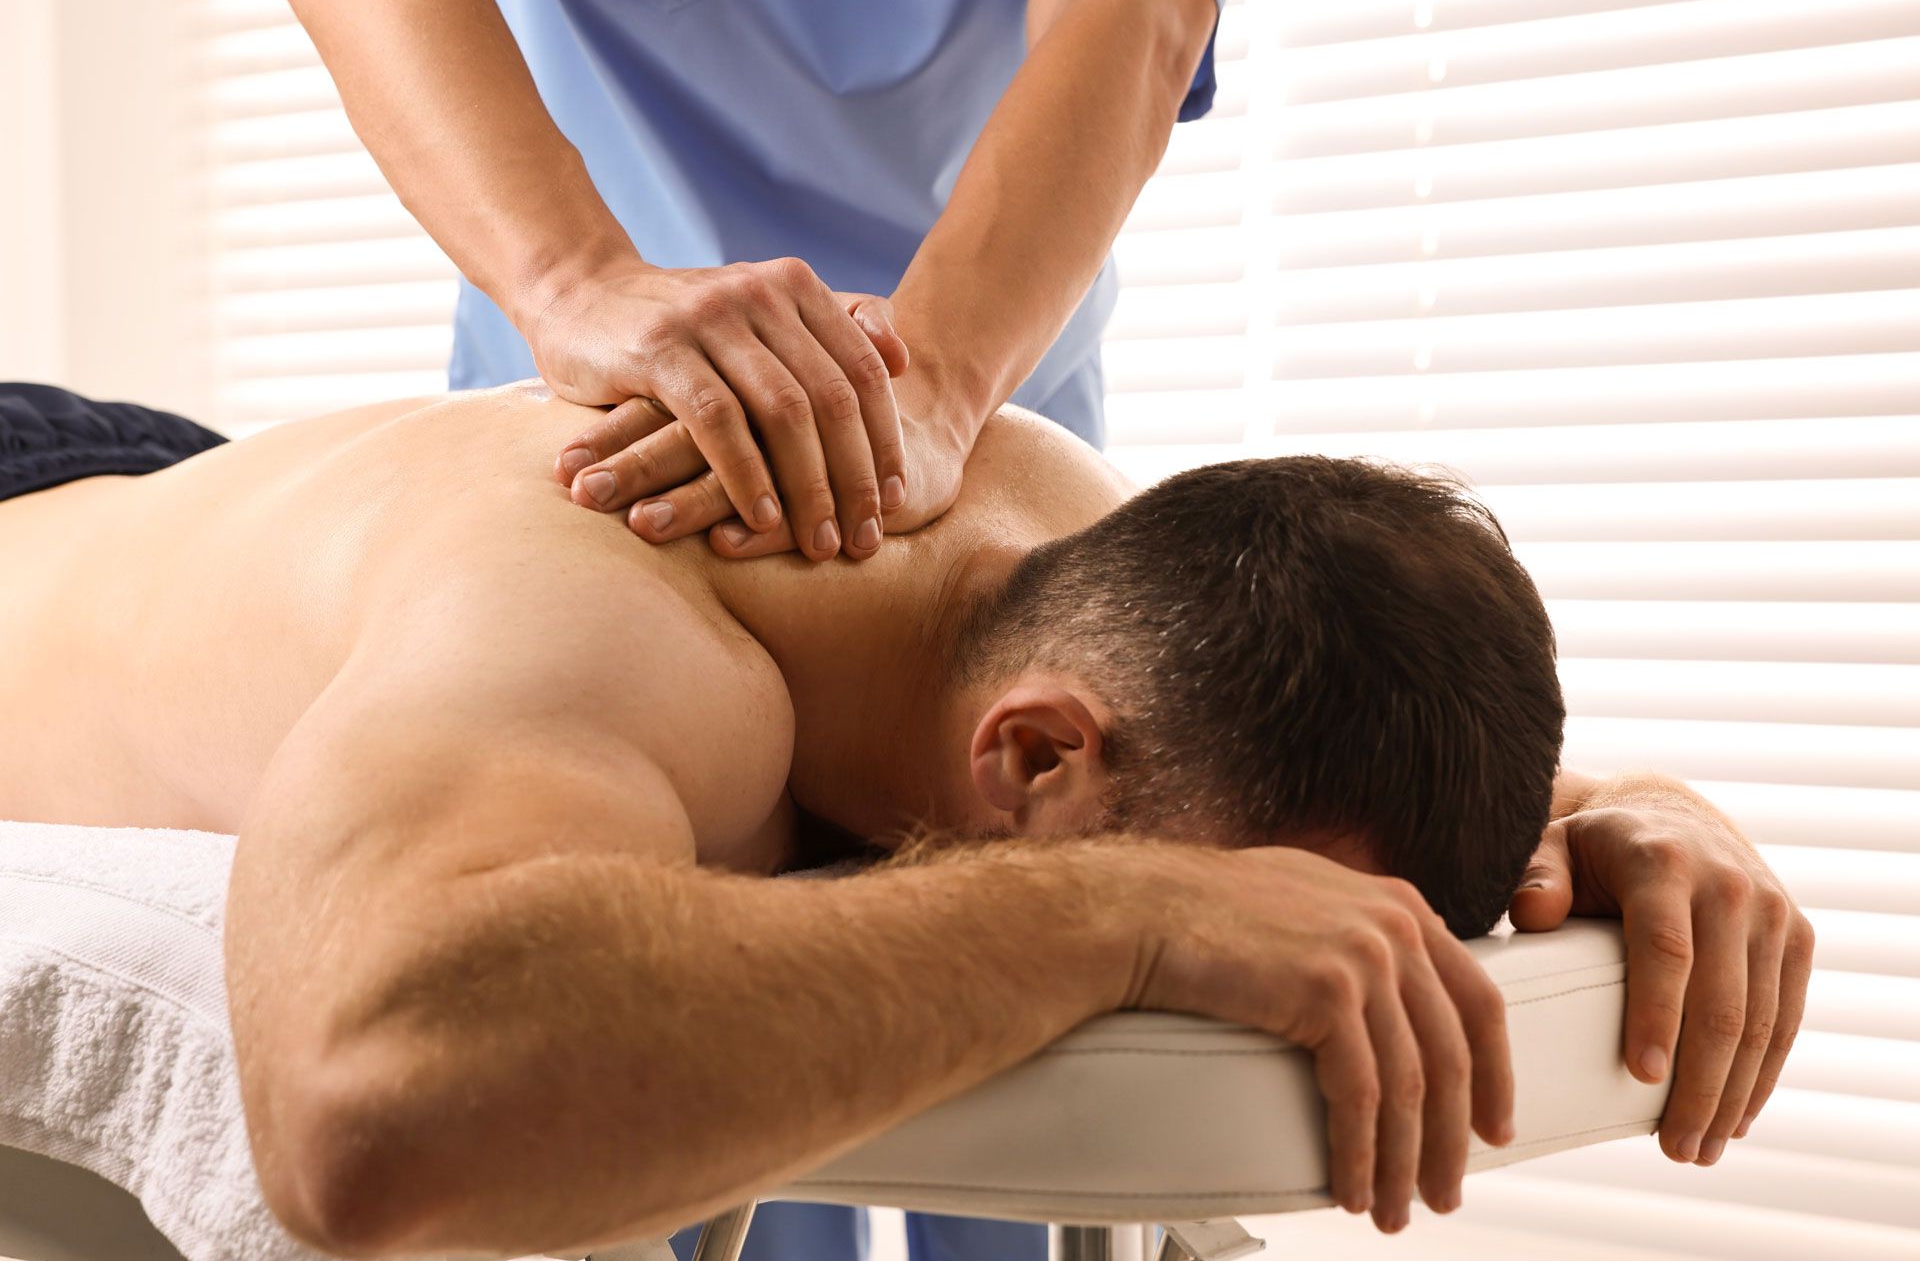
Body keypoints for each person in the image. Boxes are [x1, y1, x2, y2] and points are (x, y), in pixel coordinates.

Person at [0, 381, 1811, 1255]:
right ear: (1032, 762)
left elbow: (1305, 754)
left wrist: (1619, 811)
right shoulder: (590, 629)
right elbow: (358, 1111)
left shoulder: (1089, 575)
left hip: (195, 498)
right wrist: (1122, 915)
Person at [279, 0, 1232, 575]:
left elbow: (1137, 8)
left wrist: (942, 382)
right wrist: (570, 279)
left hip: (979, 390)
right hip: (598, 390)